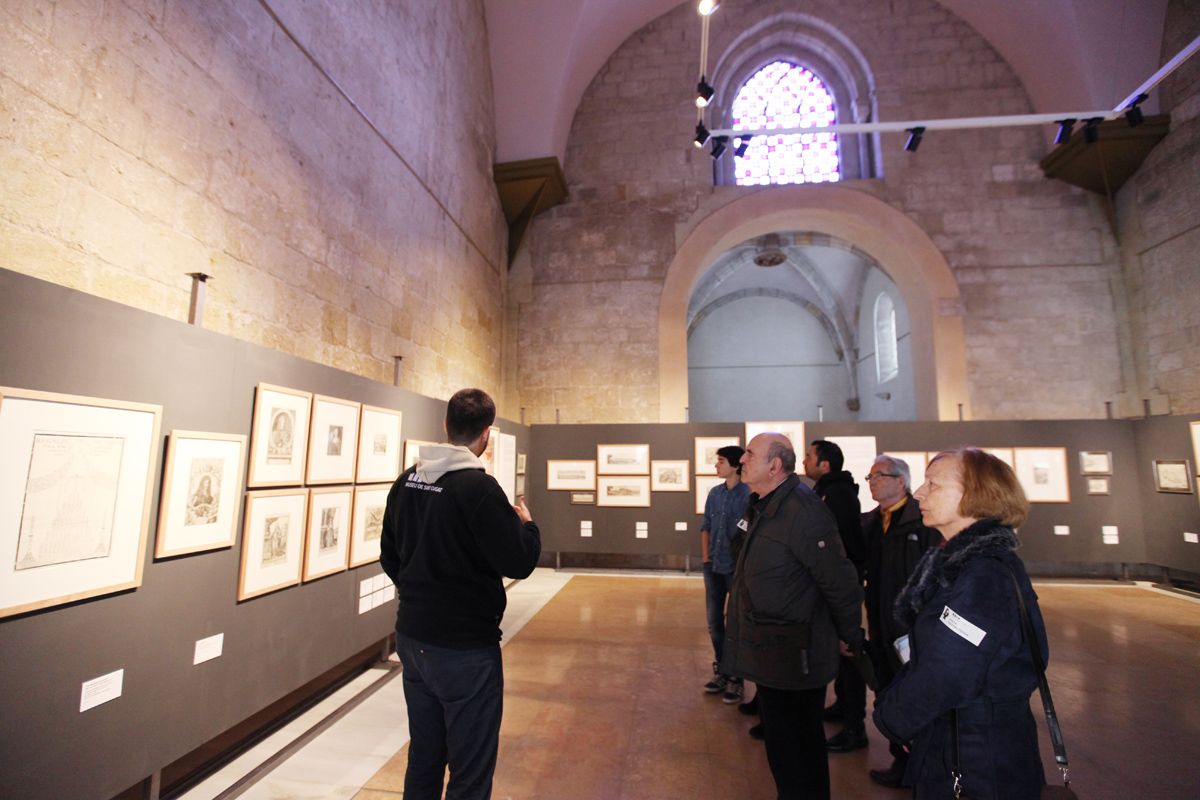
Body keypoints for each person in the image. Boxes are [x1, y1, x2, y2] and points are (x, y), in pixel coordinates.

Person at [380, 388, 541, 800]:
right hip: (465, 649)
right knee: (470, 766)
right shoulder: (479, 489)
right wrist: (528, 527)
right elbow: (518, 562)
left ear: (446, 426)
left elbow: (390, 557)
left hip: (413, 639)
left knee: (425, 756)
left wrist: (423, 594)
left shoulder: (407, 481)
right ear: (486, 435)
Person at [873, 448, 1047, 799]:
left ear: (976, 495)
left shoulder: (983, 575)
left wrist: (891, 719)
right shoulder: (966, 565)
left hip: (977, 758)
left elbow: (947, 672)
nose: (920, 493)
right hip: (958, 739)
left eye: (933, 484)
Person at [722, 433, 864, 800]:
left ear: (774, 465)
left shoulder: (803, 510)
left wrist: (850, 634)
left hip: (796, 651)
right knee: (783, 748)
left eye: (750, 454)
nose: (742, 461)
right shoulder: (763, 504)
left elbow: (838, 579)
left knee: (799, 748)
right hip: (773, 647)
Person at [860, 455, 944, 788]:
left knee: (915, 694)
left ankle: (924, 765)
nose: (873, 481)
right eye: (870, 476)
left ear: (901, 481)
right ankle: (903, 759)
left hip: (912, 628)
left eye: (880, 475)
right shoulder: (870, 523)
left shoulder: (921, 523)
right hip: (880, 621)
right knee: (888, 689)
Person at [803, 439, 868, 752]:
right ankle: (843, 706)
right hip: (835, 583)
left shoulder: (838, 494)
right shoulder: (827, 491)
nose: (804, 461)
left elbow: (838, 545)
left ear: (824, 465)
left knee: (849, 651)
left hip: (841, 585)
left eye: (809, 457)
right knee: (840, 650)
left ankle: (855, 726)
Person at [700, 444, 751, 703]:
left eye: (720, 461)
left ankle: (735, 677)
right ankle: (722, 669)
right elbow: (706, 526)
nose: (716, 465)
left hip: (735, 569)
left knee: (736, 622)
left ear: (734, 465)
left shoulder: (748, 495)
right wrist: (706, 557)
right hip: (714, 567)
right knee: (714, 622)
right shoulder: (715, 494)